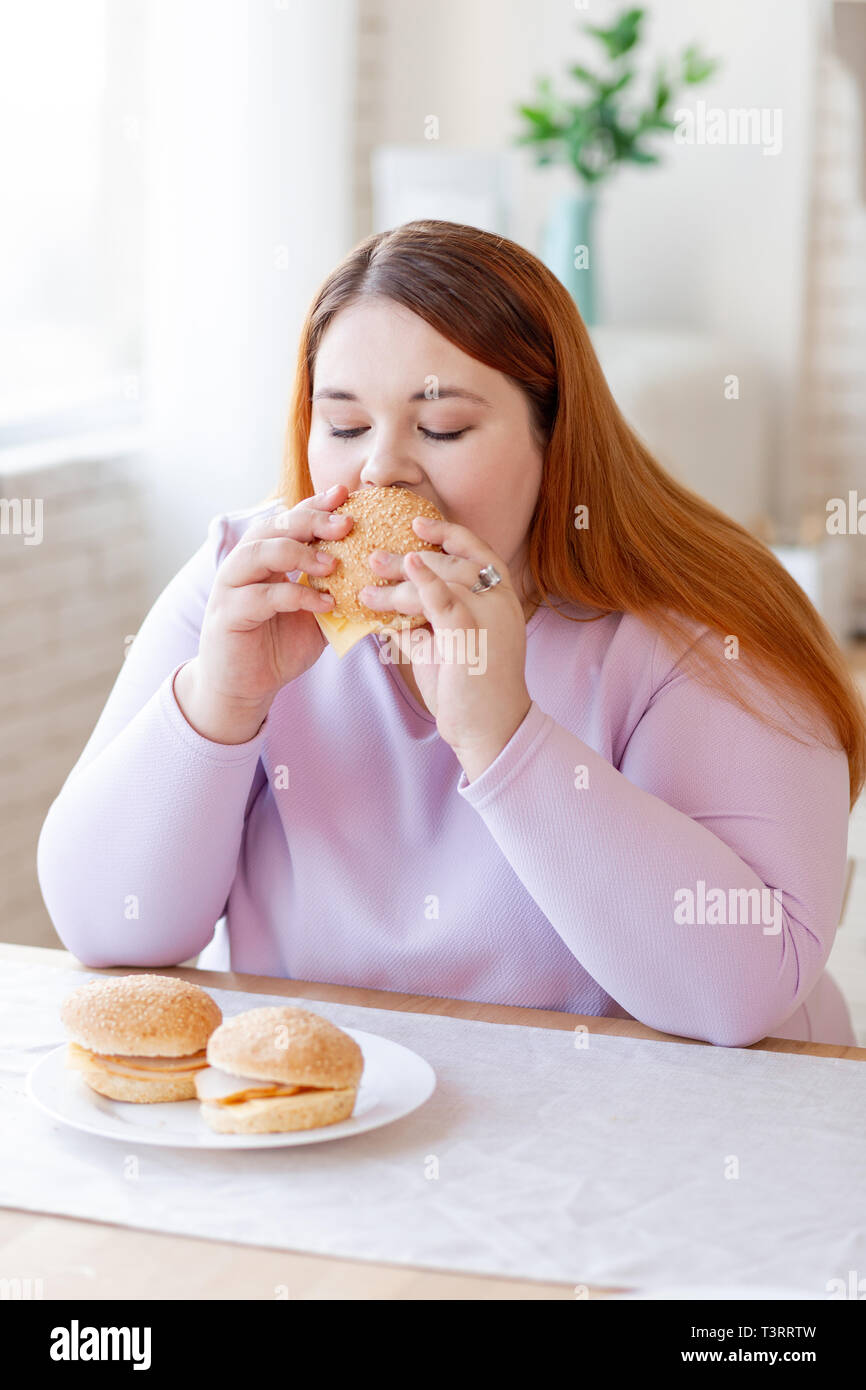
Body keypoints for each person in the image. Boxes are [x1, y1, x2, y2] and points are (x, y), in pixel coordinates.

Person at [37, 219, 866, 1047]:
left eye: (442, 429)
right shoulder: (245, 580)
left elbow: (743, 996)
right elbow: (109, 930)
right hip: (336, 1124)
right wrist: (218, 703)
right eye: (346, 425)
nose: (380, 470)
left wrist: (504, 736)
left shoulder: (703, 629)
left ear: (557, 438)